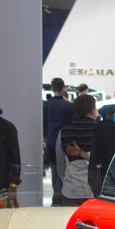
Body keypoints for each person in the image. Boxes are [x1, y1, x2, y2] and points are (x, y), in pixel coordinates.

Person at [56, 94, 98, 206]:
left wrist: (64, 179)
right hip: (95, 190)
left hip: (71, 189)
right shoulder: (100, 130)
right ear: (92, 110)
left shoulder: (64, 131)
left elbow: (60, 162)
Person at [43, 77, 74, 205]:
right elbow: (72, 126)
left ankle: (56, 198)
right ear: (63, 89)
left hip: (49, 143)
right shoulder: (69, 106)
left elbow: (43, 124)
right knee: (64, 172)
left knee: (55, 171)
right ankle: (61, 198)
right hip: (64, 144)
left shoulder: (45, 105)